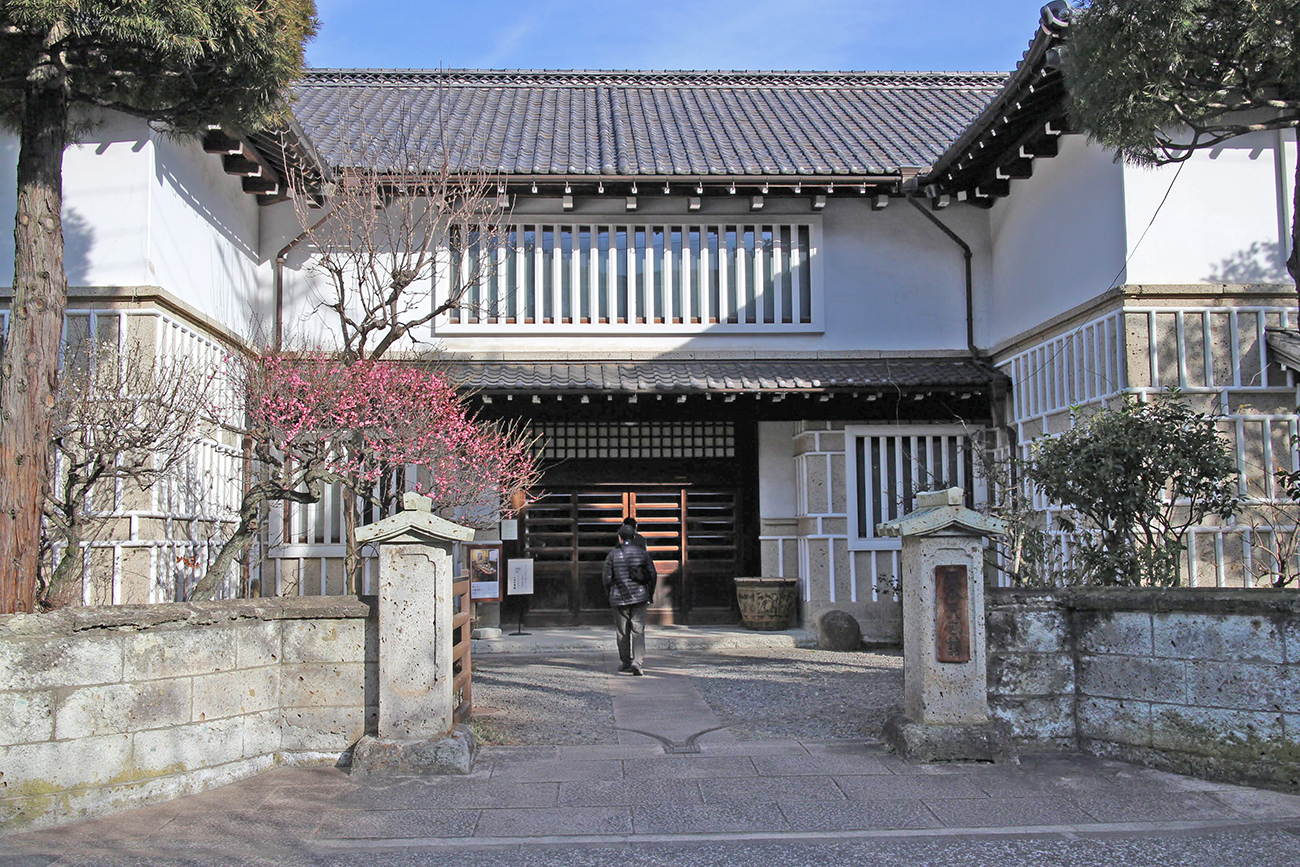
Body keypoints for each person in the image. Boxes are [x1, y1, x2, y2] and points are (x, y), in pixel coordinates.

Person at [602, 523, 656, 675]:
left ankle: (626, 662)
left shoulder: (612, 555)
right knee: (638, 630)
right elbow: (652, 574)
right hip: (639, 597)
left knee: (622, 632)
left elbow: (606, 578)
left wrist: (610, 593)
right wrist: (649, 593)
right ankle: (637, 662)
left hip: (619, 598)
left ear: (620, 538)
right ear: (634, 537)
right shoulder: (642, 553)